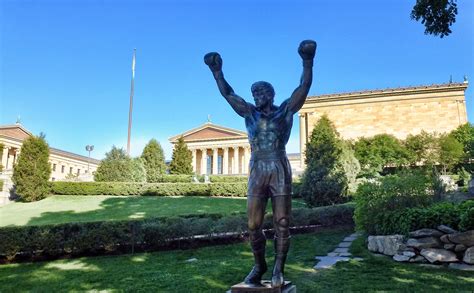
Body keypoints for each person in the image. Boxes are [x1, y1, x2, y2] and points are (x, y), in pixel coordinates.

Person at [204, 40, 316, 288]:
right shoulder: (249, 113)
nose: (256, 97)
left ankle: (278, 267)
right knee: (253, 224)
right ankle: (259, 264)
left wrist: (307, 60)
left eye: (260, 93)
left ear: (271, 94)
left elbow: (304, 86)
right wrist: (217, 72)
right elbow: (228, 93)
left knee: (283, 222)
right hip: (257, 168)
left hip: (278, 165)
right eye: (254, 93)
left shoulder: (285, 110)